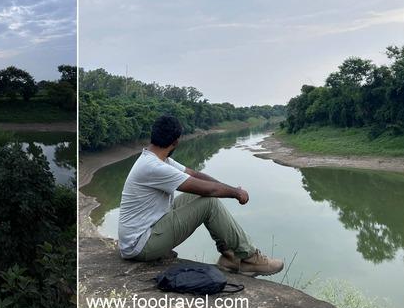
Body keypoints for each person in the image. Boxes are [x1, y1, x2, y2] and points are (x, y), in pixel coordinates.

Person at [117, 115, 284, 276]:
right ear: (175, 142)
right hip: (139, 246)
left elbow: (194, 174)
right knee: (208, 203)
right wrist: (236, 193)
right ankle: (250, 258)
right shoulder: (152, 166)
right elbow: (209, 191)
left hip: (142, 235)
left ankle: (230, 257)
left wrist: (231, 188)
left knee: (199, 197)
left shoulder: (158, 159)